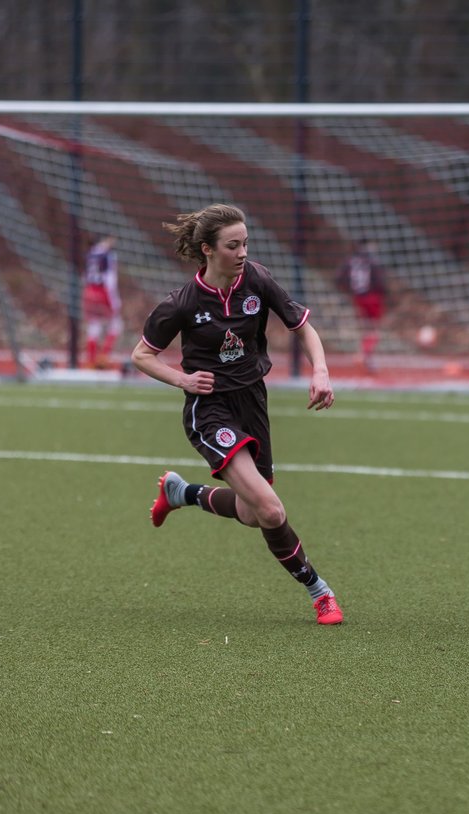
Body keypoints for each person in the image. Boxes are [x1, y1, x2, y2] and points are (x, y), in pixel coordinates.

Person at [131, 203, 344, 626]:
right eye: (233, 245)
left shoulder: (257, 280)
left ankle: (182, 494)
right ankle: (320, 592)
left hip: (253, 403)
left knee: (251, 513)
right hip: (209, 411)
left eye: (246, 243)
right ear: (208, 250)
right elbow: (141, 356)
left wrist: (321, 371)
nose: (243, 252)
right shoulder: (182, 303)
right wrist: (182, 380)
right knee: (270, 510)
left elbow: (302, 325)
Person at [335, 237, 387, 373]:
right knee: (374, 330)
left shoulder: (351, 261)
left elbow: (339, 277)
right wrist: (383, 292)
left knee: (365, 328)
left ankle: (367, 358)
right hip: (372, 297)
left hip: (358, 297)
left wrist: (348, 290)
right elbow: (380, 281)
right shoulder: (373, 261)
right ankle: (364, 354)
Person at [82, 236, 122, 368]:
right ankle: (104, 356)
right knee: (116, 324)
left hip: (89, 291)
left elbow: (86, 275)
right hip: (103, 293)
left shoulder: (91, 254)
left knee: (94, 325)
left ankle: (91, 359)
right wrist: (114, 300)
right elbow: (110, 279)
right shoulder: (108, 255)